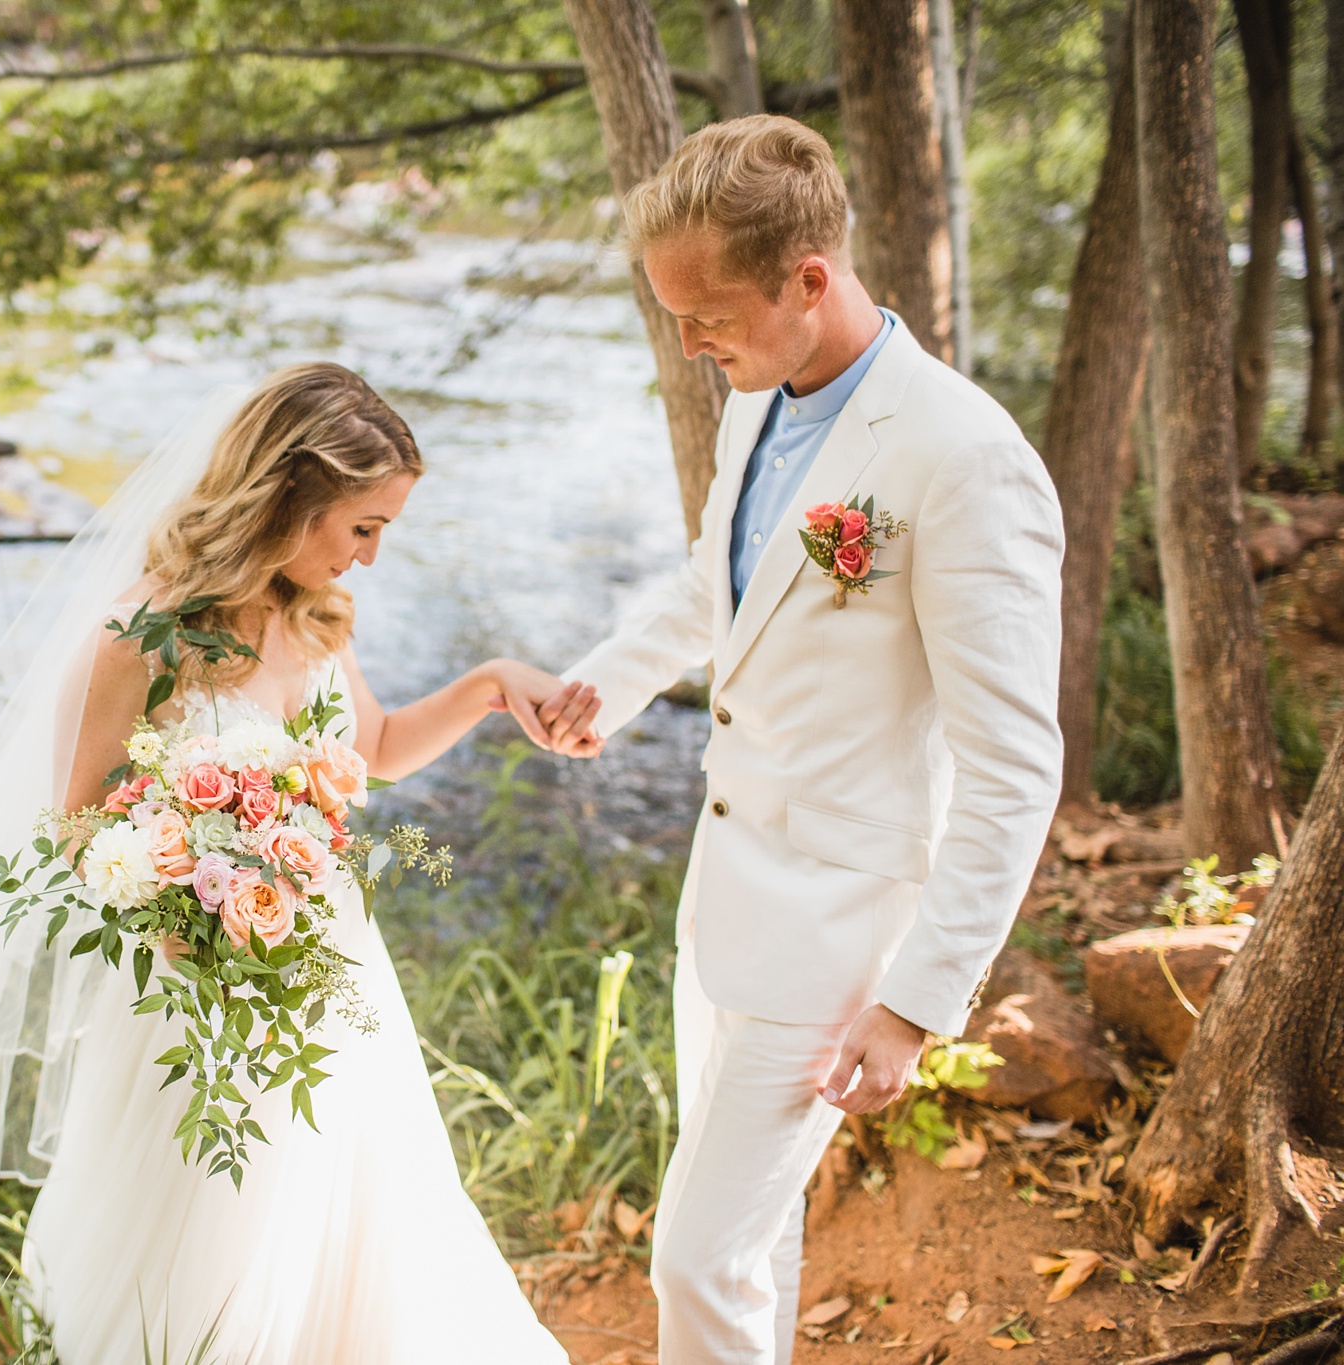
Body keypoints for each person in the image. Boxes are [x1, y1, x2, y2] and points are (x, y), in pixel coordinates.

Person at [0, 362, 593, 1362]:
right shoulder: (141, 637)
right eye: (361, 528)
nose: (370, 558)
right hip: (198, 987)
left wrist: (489, 685)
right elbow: (76, 824)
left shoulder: (314, 610)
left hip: (331, 977)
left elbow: (371, 748)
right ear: (288, 497)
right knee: (213, 1237)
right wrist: (184, 915)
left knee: (348, 1223)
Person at [532, 115, 1064, 1365]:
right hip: (721, 897)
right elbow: (714, 587)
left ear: (806, 280)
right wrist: (603, 686)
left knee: (695, 1254)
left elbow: (1010, 768)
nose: (688, 342)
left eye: (705, 314)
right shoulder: (753, 406)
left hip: (837, 928)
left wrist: (917, 1003)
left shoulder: (963, 457)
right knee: (752, 1245)